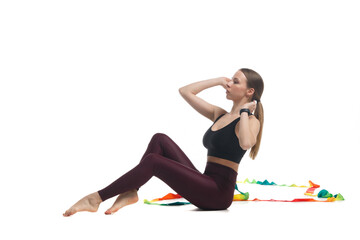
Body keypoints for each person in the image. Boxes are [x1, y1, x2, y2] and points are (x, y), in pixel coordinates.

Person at [63, 68, 264, 216]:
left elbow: (246, 143)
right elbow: (185, 91)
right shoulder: (219, 114)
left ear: (249, 92)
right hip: (205, 182)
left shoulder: (250, 121)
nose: (229, 84)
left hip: (218, 194)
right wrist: (218, 80)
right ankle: (132, 190)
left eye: (235, 82)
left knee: (153, 161)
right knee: (160, 139)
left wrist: (246, 111)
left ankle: (96, 198)